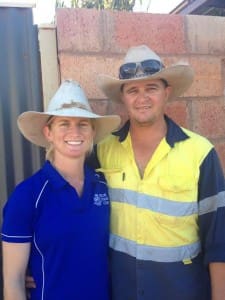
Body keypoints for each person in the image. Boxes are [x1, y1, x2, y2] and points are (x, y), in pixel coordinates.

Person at [93, 45, 225, 300]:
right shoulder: (102, 150)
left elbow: (219, 242)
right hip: (122, 292)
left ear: (167, 93)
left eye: (151, 88)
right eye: (133, 90)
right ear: (123, 98)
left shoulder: (200, 153)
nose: (142, 98)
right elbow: (75, 215)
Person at [1, 79, 121, 300]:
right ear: (48, 132)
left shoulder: (103, 185)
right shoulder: (28, 196)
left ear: (92, 132)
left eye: (83, 124)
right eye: (64, 123)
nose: (74, 132)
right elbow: (13, 281)